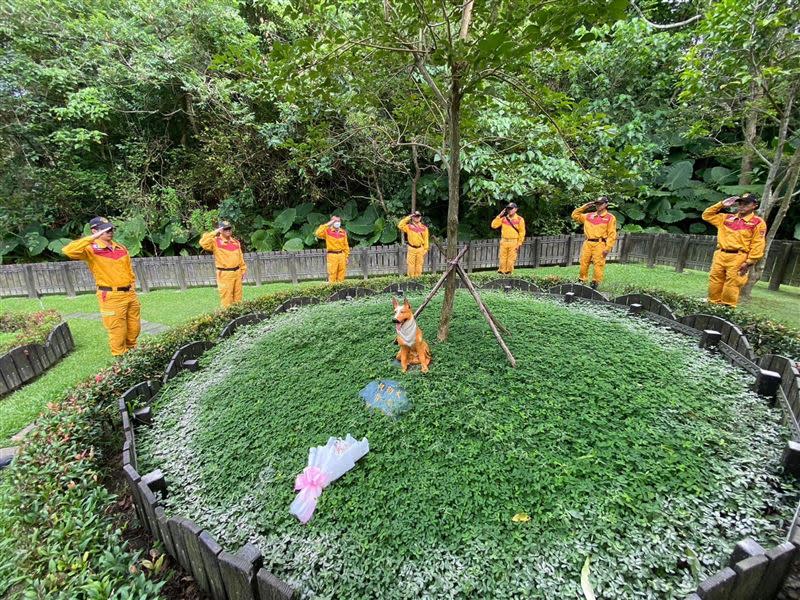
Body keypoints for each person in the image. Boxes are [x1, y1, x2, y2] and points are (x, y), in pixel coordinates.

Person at [61, 217, 141, 357]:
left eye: (111, 229)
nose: (110, 232)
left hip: (129, 294)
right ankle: (120, 358)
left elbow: (129, 270)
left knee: (134, 328)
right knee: (117, 330)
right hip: (110, 296)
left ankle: (134, 354)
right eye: (105, 230)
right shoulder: (90, 249)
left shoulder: (120, 247)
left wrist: (133, 287)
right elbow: (68, 251)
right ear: (95, 231)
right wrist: (92, 238)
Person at [702, 193, 766, 308]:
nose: (742, 206)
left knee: (733, 283)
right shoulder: (726, 218)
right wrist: (721, 204)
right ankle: (712, 304)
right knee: (715, 280)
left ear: (754, 206)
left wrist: (749, 262)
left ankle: (727, 308)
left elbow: (758, 243)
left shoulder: (757, 222)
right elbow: (706, 215)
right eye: (740, 203)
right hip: (720, 254)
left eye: (746, 203)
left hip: (739, 257)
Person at [571, 196, 618, 289]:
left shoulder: (610, 218)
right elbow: (574, 215)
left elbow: (612, 234)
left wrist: (607, 248)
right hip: (588, 243)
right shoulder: (588, 216)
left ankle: (595, 284)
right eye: (596, 203)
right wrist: (584, 207)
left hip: (600, 244)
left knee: (598, 264)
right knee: (584, 262)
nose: (598, 205)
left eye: (600, 204)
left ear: (605, 204)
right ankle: (582, 281)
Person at [199, 220, 247, 308]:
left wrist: (243, 270)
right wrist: (215, 232)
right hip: (225, 274)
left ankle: (238, 316)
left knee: (238, 298)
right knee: (226, 298)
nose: (228, 230)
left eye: (229, 228)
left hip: (237, 272)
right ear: (220, 230)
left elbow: (240, 257)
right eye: (225, 229)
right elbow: (203, 242)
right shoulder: (215, 242)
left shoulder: (236, 242)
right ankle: (228, 318)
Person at [491, 203, 526, 274]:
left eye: (511, 208)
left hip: (513, 242)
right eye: (508, 208)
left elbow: (522, 233)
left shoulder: (519, 219)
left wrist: (519, 243)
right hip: (504, 241)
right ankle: (501, 273)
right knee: (502, 259)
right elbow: (493, 225)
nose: (509, 210)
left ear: (516, 209)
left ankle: (509, 274)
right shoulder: (503, 219)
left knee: (511, 260)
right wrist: (499, 215)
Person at [315, 215, 350, 283]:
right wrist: (328, 224)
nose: (337, 222)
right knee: (332, 273)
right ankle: (332, 288)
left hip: (342, 255)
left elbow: (346, 245)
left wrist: (346, 256)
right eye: (335, 221)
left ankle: (340, 288)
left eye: (338, 221)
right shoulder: (327, 231)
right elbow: (318, 233)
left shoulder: (343, 232)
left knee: (342, 273)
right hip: (332, 255)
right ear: (332, 222)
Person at [397, 211, 429, 277]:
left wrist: (425, 249)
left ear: (420, 217)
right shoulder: (409, 227)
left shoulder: (424, 228)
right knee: (411, 265)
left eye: (418, 216)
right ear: (413, 217)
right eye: (415, 216)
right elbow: (400, 225)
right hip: (411, 248)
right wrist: (408, 217)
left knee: (419, 265)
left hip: (420, 249)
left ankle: (418, 279)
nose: (417, 218)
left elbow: (426, 239)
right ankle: (411, 279)